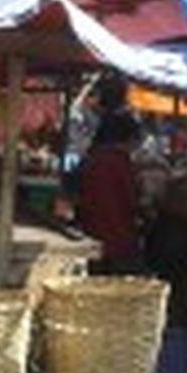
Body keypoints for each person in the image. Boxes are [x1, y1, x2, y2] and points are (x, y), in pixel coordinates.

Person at [77, 110, 144, 274]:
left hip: (90, 236)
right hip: (119, 240)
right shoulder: (120, 162)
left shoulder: (91, 159)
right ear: (128, 138)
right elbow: (131, 202)